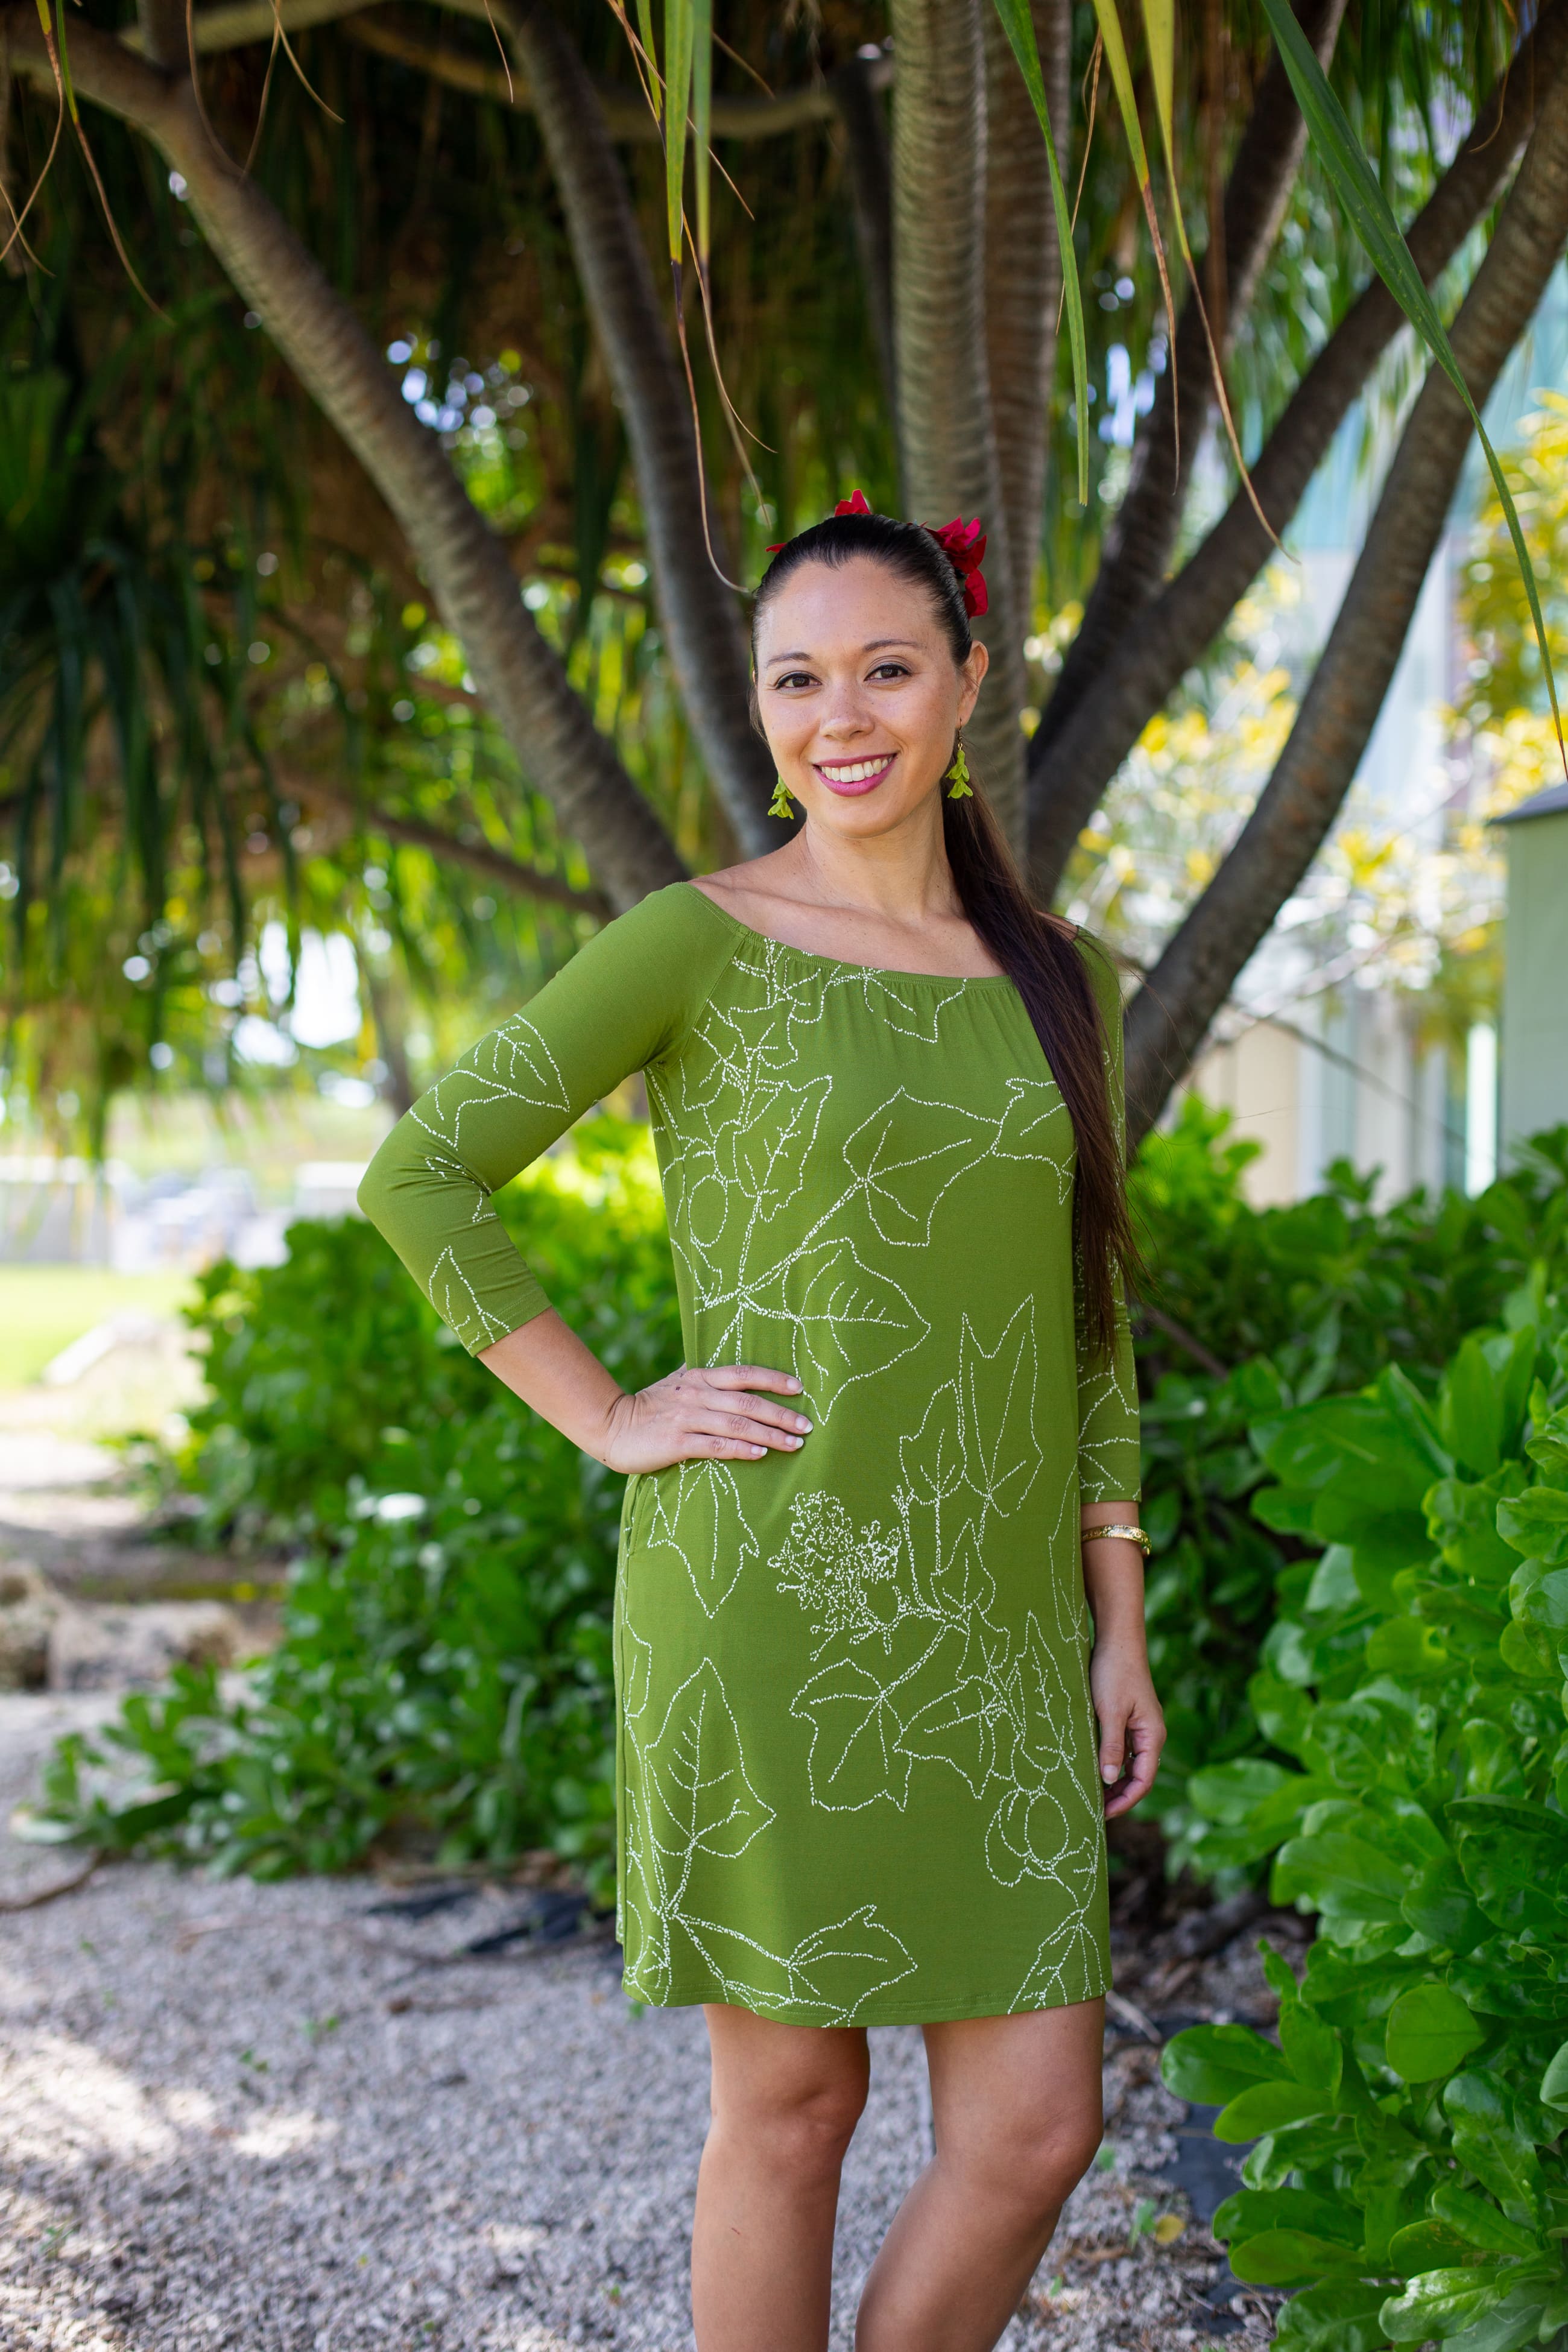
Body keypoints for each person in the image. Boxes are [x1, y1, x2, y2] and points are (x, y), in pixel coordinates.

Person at [358, 495, 1165, 2352]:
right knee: (795, 2108)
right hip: (770, 1592)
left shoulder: (1065, 979)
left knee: (1038, 2126)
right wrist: (607, 1412)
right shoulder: (693, 940)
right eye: (797, 679)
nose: (841, 716)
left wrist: (1116, 1617)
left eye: (886, 668)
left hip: (996, 1625)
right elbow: (423, 1174)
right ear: (760, 705)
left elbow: (1091, 1320)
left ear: (968, 681)